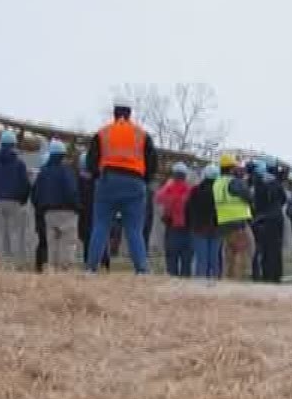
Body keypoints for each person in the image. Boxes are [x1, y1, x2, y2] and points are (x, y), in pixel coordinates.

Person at [84, 101, 156, 274]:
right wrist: (143, 181)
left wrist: (97, 177)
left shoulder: (103, 133)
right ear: (129, 114)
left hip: (108, 181)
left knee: (101, 225)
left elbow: (90, 161)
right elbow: (152, 163)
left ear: (114, 114)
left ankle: (91, 268)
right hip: (135, 183)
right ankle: (141, 269)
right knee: (134, 229)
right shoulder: (142, 134)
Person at [0, 129, 32, 266]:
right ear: (14, 145)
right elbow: (26, 184)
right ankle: (13, 262)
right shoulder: (19, 164)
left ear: (0, 144)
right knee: (14, 232)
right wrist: (23, 200)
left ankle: (0, 261)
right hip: (14, 201)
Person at [31, 139, 80, 272]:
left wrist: (40, 209)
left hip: (49, 213)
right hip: (67, 212)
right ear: (63, 155)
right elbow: (72, 190)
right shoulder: (67, 171)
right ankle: (65, 269)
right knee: (67, 242)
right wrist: (77, 207)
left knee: (52, 243)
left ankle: (52, 269)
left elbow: (35, 194)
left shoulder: (43, 172)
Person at [215, 160, 255, 281]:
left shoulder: (217, 183)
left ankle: (227, 280)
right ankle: (238, 280)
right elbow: (248, 196)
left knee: (229, 253)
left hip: (223, 221)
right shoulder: (234, 182)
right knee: (243, 251)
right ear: (231, 169)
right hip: (237, 221)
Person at [155, 162, 194, 277]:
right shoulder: (190, 190)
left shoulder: (167, 189)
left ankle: (172, 281)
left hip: (172, 228)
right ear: (185, 175)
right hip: (188, 229)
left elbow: (158, 201)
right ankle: (185, 282)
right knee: (187, 260)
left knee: (171, 258)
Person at [186, 162, 223, 282]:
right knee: (214, 257)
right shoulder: (220, 191)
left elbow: (189, 208)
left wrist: (190, 224)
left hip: (199, 227)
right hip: (216, 228)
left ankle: (200, 282)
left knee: (201, 257)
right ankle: (214, 282)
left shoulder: (196, 190)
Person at [252, 160, 287, 283]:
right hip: (277, 218)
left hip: (263, 219)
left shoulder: (259, 183)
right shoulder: (276, 183)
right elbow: (283, 199)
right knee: (276, 248)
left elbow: (257, 203)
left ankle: (266, 274)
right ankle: (276, 275)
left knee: (265, 248)